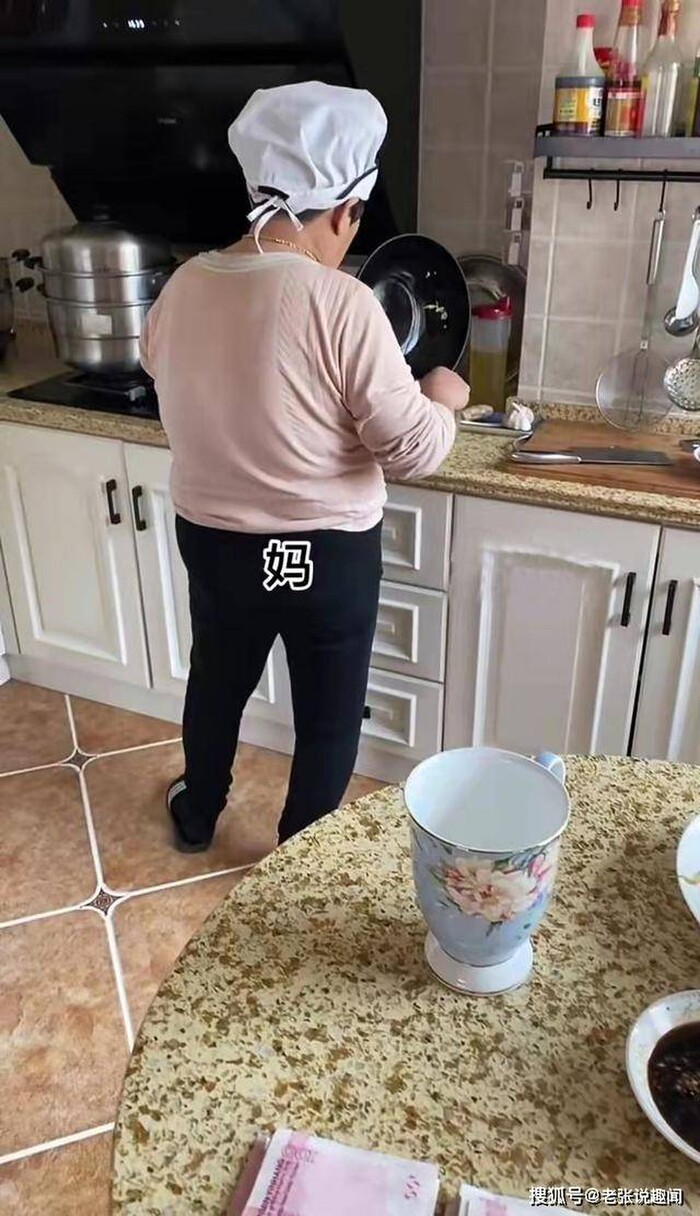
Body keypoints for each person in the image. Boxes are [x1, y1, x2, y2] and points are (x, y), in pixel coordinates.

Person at [139, 80, 469, 854]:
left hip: (217, 544)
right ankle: (299, 856)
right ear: (347, 210)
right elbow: (414, 448)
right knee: (327, 714)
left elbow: (163, 370)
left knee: (217, 682)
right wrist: (443, 400)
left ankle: (197, 811)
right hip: (322, 555)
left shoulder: (183, 285)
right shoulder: (343, 303)